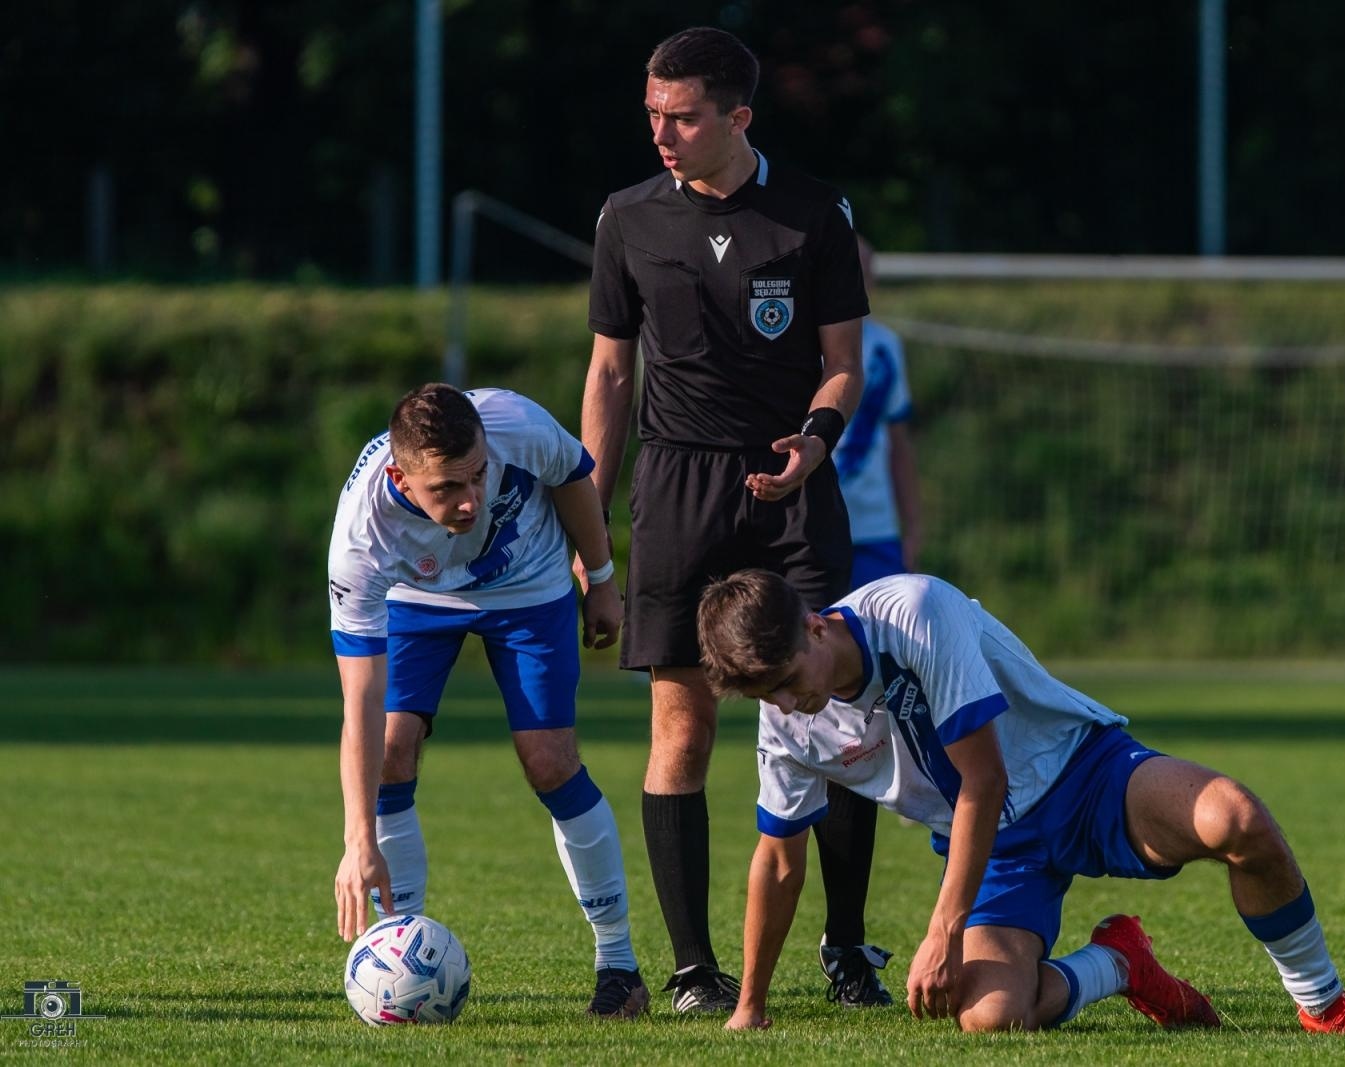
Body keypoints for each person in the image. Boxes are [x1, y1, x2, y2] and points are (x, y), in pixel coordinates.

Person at [697, 569, 1345, 1034]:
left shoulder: (913, 611)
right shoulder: (784, 722)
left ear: (815, 623)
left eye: (791, 678)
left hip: (1083, 773)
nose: (793, 703)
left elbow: (984, 780)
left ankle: (1325, 1007)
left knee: (1237, 819)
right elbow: (779, 859)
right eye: (770, 695)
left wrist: (940, 929)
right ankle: (1119, 963)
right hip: (997, 847)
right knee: (989, 1019)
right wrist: (749, 1003)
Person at [580, 26, 890, 1012]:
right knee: (682, 719)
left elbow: (845, 358)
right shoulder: (627, 218)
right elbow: (609, 371)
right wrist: (590, 524)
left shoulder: (812, 216)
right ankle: (692, 969)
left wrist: (816, 436)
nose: (662, 135)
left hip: (792, 484)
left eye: (683, 117)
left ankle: (846, 950)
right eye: (652, 117)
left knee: (836, 713)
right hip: (676, 490)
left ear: (737, 116)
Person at [329, 383, 648, 1020]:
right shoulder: (362, 539)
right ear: (401, 476)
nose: (470, 499)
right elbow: (359, 702)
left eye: (477, 476)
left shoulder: (515, 422)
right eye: (446, 488)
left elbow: (575, 478)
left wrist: (604, 578)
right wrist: (357, 838)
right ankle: (403, 950)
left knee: (550, 761)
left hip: (530, 582)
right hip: (418, 599)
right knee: (392, 751)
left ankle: (619, 965)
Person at [838, 236, 923, 589]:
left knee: (882, 640)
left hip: (875, 529)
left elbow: (898, 444)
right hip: (805, 526)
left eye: (865, 272)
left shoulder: (885, 347)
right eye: (848, 271)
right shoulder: (792, 346)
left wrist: (913, 527)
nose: (858, 281)